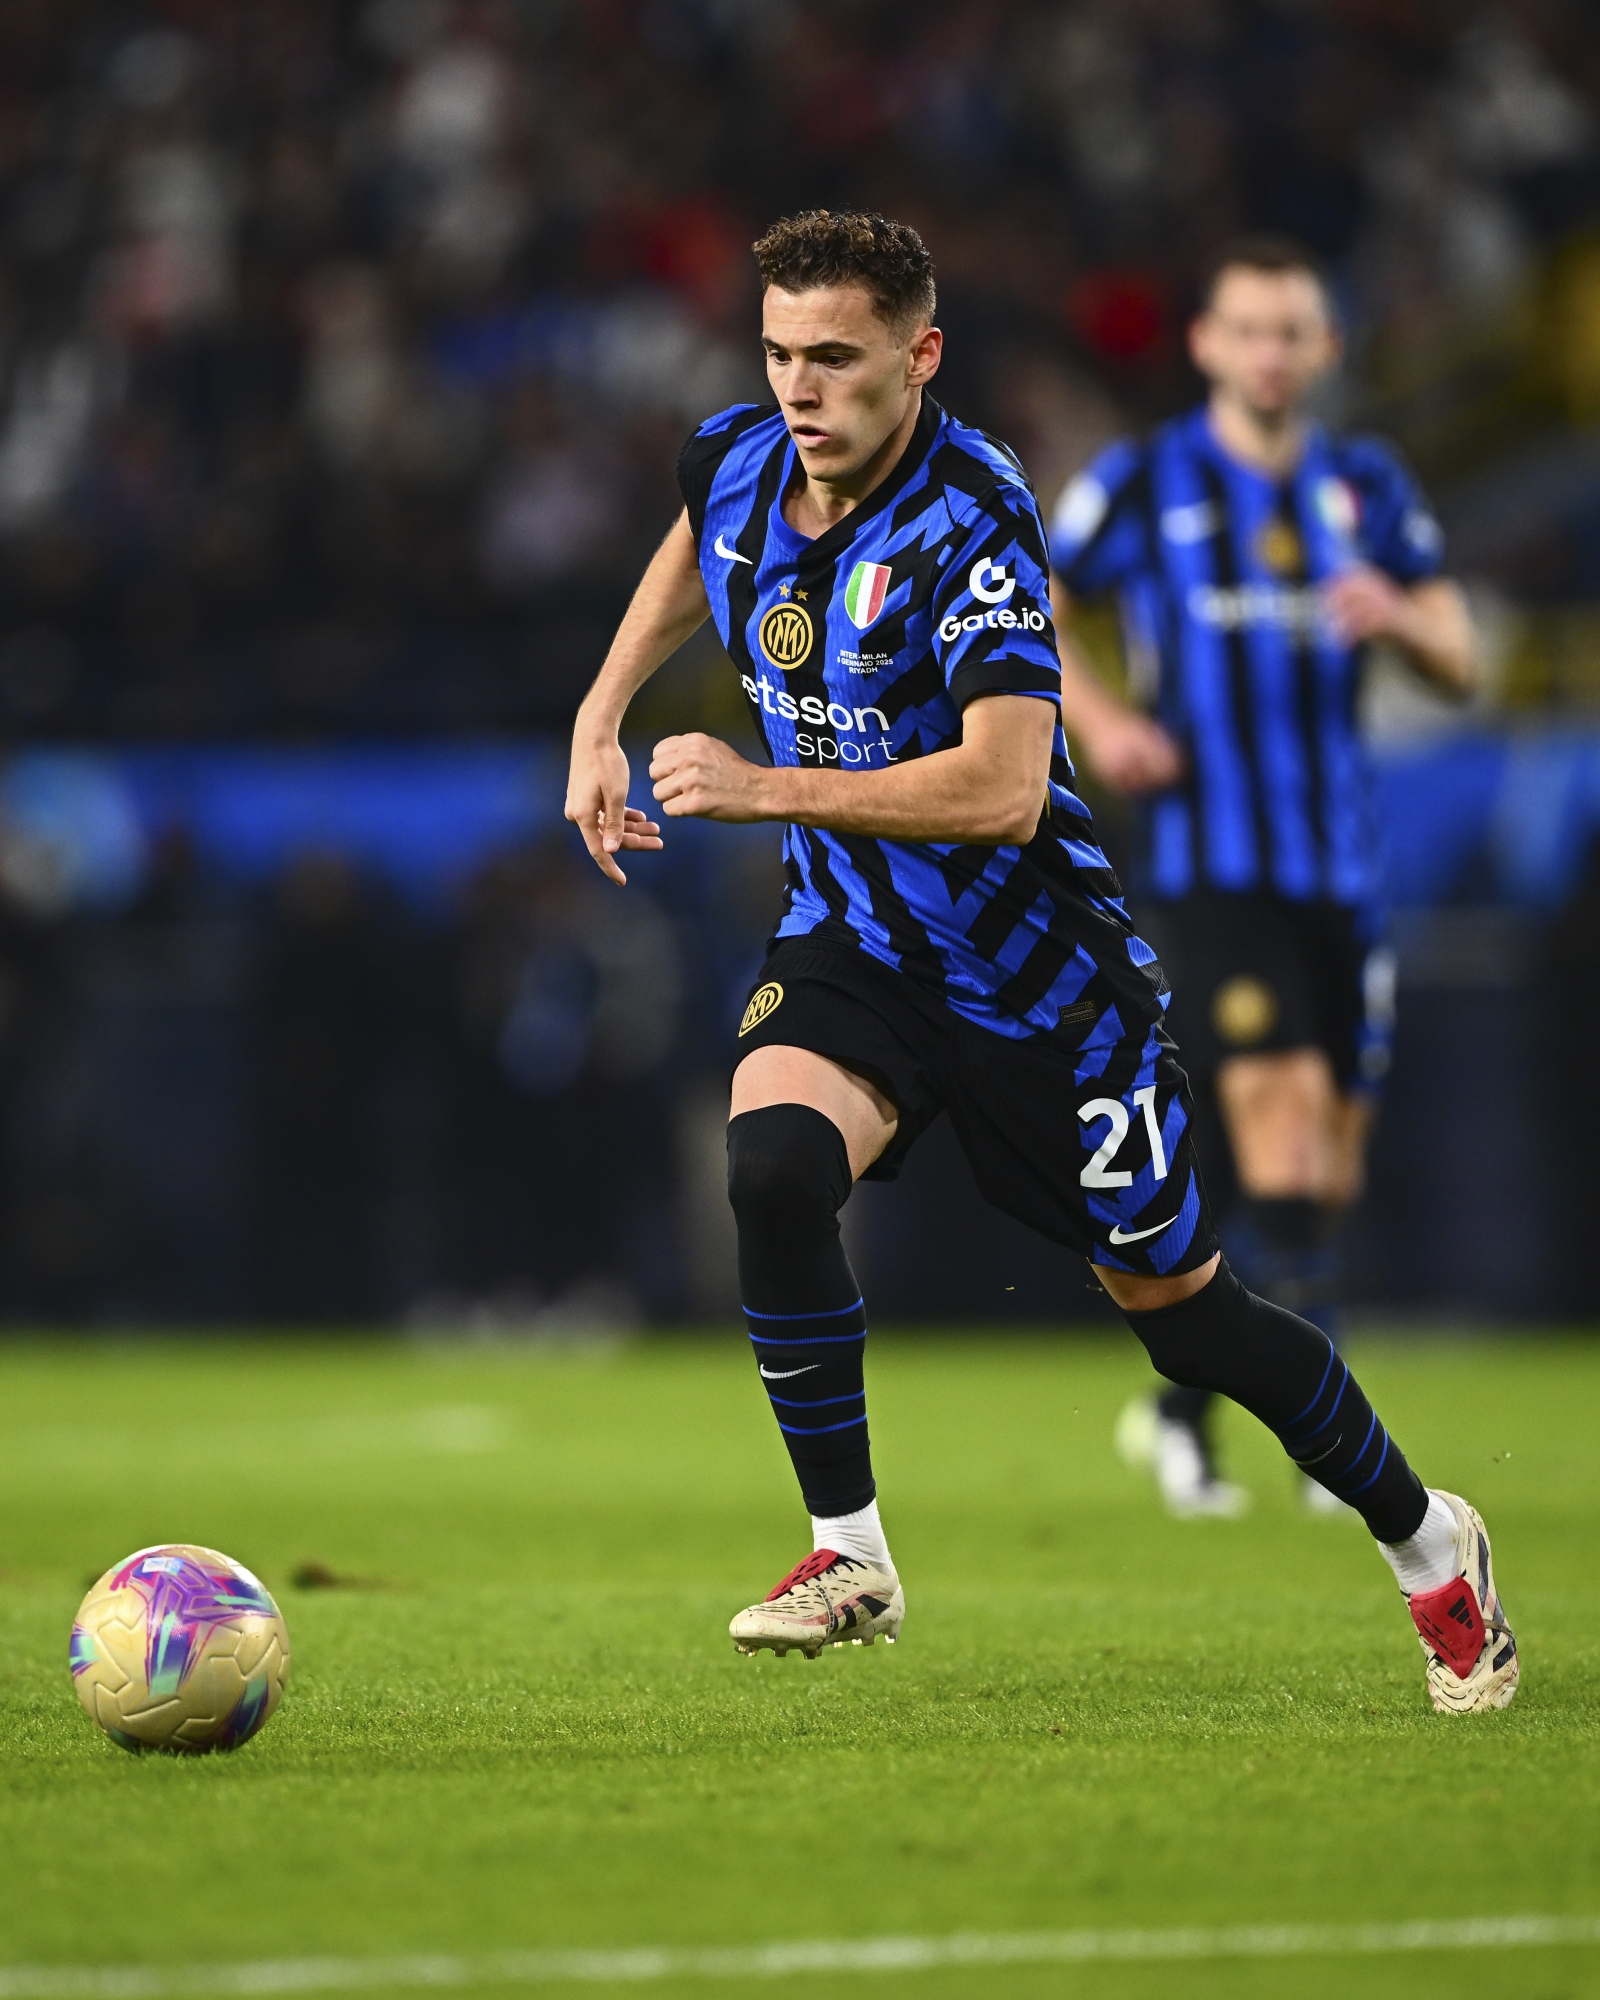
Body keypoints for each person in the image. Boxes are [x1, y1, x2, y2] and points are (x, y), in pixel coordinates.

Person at [563, 210, 1515, 1715]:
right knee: (771, 1173)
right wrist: (602, 711)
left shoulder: (975, 517)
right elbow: (697, 533)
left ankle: (1428, 1541)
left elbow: (1005, 788)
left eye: (836, 360)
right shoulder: (742, 456)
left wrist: (765, 787)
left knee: (1192, 1324)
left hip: (1043, 989)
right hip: (856, 945)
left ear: (918, 357)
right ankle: (849, 1550)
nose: (800, 389)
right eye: (778, 354)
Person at [1049, 238, 1478, 1519]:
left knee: (1320, 1168)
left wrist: (1397, 618)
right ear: (1206, 345)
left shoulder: (1367, 487)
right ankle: (1326, 1454)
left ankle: (1176, 1413)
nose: (1271, 355)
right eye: (1249, 331)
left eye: (1293, 332)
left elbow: (1460, 652)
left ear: (1325, 348)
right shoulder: (1141, 481)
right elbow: (1039, 607)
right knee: (1282, 1134)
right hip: (1206, 863)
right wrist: (1103, 720)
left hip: (1340, 868)